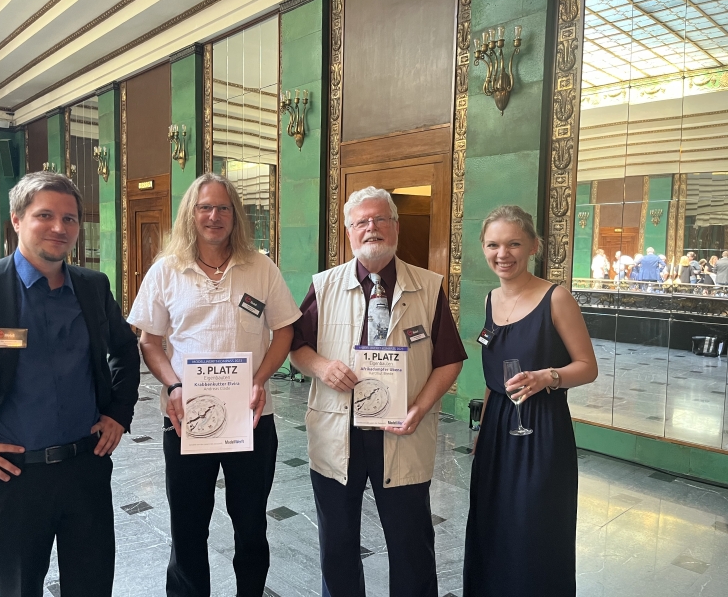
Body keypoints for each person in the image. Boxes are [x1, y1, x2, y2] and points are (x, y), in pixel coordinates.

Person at [0, 171, 140, 597]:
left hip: (86, 469)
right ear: (17, 219)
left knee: (93, 587)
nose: (59, 227)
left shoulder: (93, 286)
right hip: (13, 478)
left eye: (70, 218)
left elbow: (124, 348)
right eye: (45, 215)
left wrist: (119, 412)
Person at [127, 173, 301, 597]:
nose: (214, 216)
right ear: (191, 214)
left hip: (252, 417)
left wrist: (260, 379)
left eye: (224, 208)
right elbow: (149, 341)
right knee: (187, 528)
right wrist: (173, 386)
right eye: (205, 207)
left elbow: (284, 331)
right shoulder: (166, 270)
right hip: (186, 417)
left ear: (235, 215)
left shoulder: (260, 267)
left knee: (251, 526)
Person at [290, 186, 465, 597]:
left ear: (396, 227)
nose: (372, 227)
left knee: (411, 545)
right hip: (339, 433)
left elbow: (449, 359)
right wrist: (322, 367)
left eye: (380, 219)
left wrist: (421, 407)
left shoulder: (428, 286)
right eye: (362, 222)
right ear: (349, 231)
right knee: (338, 546)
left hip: (402, 432)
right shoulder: (324, 286)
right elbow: (296, 348)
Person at [463, 205, 598, 597]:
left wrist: (548, 376)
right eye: (493, 245)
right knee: (492, 523)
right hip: (497, 429)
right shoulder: (489, 299)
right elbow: (494, 380)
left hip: (542, 430)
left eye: (514, 244)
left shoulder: (556, 298)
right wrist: (482, 430)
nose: (502, 254)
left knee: (535, 527)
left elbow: (587, 367)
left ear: (534, 246)